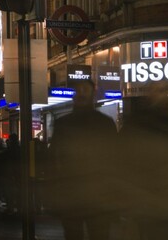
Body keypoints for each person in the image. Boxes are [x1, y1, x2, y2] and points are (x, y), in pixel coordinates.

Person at [49, 79, 117, 240]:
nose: (81, 93)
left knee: (78, 234)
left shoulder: (64, 124)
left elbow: (54, 157)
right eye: (79, 90)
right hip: (89, 193)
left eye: (84, 89)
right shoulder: (104, 123)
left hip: (79, 192)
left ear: (92, 93)